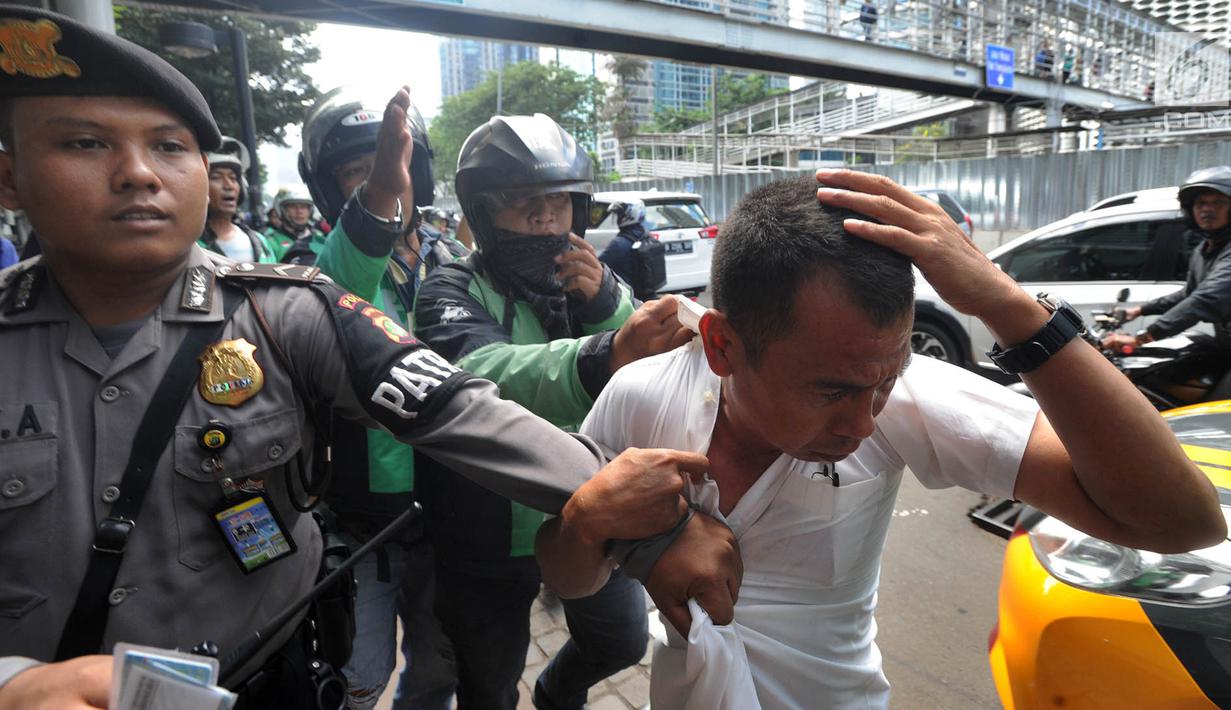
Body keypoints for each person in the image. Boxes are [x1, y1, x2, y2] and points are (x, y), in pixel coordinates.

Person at [0, 7, 723, 708]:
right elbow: (483, 364)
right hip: (375, 522)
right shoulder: (358, 282)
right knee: (376, 673)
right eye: (85, 144)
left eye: (168, 146)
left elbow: (460, 405)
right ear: (10, 178)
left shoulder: (300, 307)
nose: (138, 174)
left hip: (346, 606)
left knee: (442, 665)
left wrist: (652, 516)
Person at [537, 173, 1225, 709]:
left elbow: (1182, 522)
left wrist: (1010, 308)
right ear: (721, 345)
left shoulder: (909, 397)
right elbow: (573, 578)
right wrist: (582, 520)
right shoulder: (639, 396)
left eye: (884, 380)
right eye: (831, 391)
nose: (863, 422)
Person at [412, 113, 695, 710]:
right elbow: (482, 374)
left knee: (620, 640)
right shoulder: (447, 290)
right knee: (488, 681)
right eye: (522, 204)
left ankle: (556, 692)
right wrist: (600, 353)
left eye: (558, 203)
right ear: (485, 213)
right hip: (487, 524)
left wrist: (606, 308)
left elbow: (647, 354)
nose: (545, 220)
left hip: (588, 505)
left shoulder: (594, 278)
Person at [298, 84, 467, 710]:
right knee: (355, 676)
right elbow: (333, 293)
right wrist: (376, 208)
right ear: (329, 189)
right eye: (357, 173)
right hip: (358, 525)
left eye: (392, 165)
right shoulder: (309, 267)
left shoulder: (455, 263)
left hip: (448, 513)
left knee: (439, 671)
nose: (383, 181)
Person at [1103, 166, 1231, 397]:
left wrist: (1140, 337)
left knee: (1213, 410)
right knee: (1167, 363)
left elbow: (1207, 300)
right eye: (1201, 203)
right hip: (1225, 345)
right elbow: (1189, 294)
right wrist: (1139, 310)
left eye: (1218, 202)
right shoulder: (1205, 249)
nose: (1207, 210)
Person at [198, 136, 277, 263]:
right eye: (216, 177)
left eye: (233, 178)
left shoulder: (260, 242)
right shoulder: (187, 244)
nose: (228, 185)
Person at [598, 199, 665, 301]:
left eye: (619, 215)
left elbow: (599, 267)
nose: (617, 219)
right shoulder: (647, 237)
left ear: (630, 215)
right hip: (648, 296)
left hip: (627, 299)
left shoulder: (619, 243)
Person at [265, 185, 326, 262]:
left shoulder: (319, 238)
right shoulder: (271, 241)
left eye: (303, 207)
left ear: (310, 211)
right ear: (282, 210)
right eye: (293, 207)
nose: (299, 211)